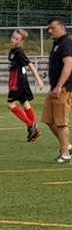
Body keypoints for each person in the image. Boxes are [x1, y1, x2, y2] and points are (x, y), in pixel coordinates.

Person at [6, 29, 45, 142]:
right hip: (20, 81)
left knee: (10, 104)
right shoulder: (13, 51)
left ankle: (30, 125)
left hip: (18, 82)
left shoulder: (18, 52)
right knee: (25, 103)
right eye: (13, 37)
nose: (13, 40)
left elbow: (30, 65)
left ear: (21, 42)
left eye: (16, 39)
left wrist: (38, 79)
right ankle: (34, 129)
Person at [44, 19, 72, 164]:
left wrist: (60, 85)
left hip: (63, 88)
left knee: (61, 122)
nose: (49, 31)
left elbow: (69, 65)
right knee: (48, 119)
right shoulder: (58, 44)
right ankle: (68, 146)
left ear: (62, 28)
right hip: (54, 88)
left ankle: (65, 154)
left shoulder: (66, 43)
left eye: (52, 28)